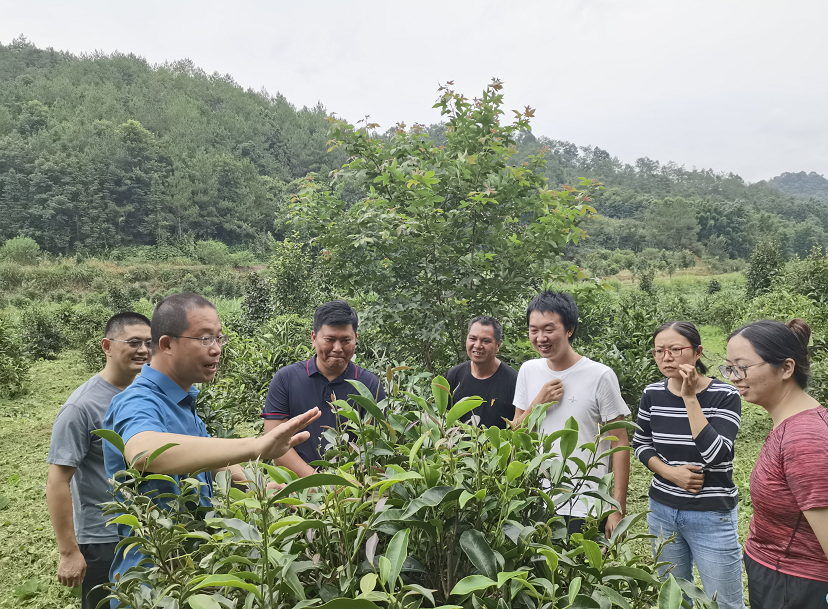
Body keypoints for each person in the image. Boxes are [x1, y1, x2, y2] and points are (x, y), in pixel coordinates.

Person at [103, 292, 320, 602]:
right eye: (205, 339)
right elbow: (142, 451)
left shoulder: (183, 403)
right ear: (165, 344)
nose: (217, 349)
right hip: (153, 586)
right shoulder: (138, 401)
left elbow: (222, 469)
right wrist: (255, 445)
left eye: (220, 338)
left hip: (192, 576)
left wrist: (284, 491)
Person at [633, 321, 745, 609]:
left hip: (711, 516)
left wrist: (689, 398)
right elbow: (641, 443)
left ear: (697, 353)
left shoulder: (725, 395)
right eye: (659, 351)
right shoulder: (652, 394)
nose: (666, 357)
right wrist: (670, 473)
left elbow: (717, 454)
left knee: (724, 603)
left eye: (675, 349)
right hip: (662, 513)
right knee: (673, 600)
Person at [46, 312, 152, 609]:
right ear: (107, 346)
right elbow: (57, 481)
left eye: (148, 342)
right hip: (104, 537)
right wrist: (68, 551)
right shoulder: (81, 407)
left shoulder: (146, 394)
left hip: (151, 529)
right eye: (133, 342)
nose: (143, 350)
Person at [725, 319, 828, 609]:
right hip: (779, 577)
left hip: (796, 586)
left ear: (786, 368)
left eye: (742, 367)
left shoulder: (804, 439)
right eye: (729, 367)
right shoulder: (792, 423)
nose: (734, 377)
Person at [513, 291, 630, 538]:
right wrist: (538, 403)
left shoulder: (600, 375)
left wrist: (616, 506)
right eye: (533, 330)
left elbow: (619, 441)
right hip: (537, 499)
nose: (540, 337)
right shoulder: (527, 371)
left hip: (586, 501)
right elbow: (517, 434)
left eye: (549, 329)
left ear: (570, 329)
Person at [262, 300, 385, 476]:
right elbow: (272, 442)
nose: (337, 348)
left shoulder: (371, 385)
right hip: (295, 489)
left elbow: (376, 445)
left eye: (345, 340)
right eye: (330, 339)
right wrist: (316, 482)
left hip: (351, 491)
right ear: (313, 338)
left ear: (355, 339)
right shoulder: (286, 379)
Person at [446, 316, 518, 429]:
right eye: (473, 339)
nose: (478, 345)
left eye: (486, 341)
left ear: (498, 345)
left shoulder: (514, 381)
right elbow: (447, 420)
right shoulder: (454, 375)